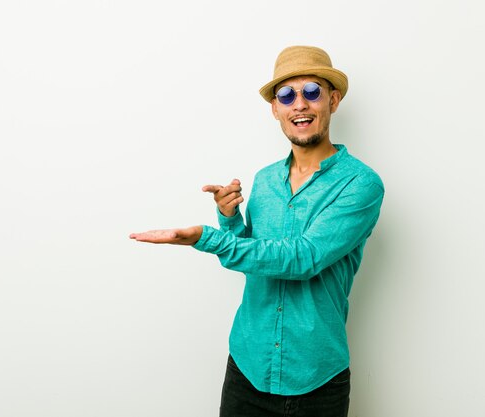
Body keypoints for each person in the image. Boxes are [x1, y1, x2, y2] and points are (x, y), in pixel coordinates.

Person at [129, 45, 384, 417]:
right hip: (247, 367)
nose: (300, 104)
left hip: (315, 378)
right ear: (275, 109)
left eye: (311, 92)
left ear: (333, 99)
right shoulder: (264, 181)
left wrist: (207, 238)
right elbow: (258, 260)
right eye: (287, 95)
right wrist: (229, 220)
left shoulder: (360, 184)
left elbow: (303, 258)